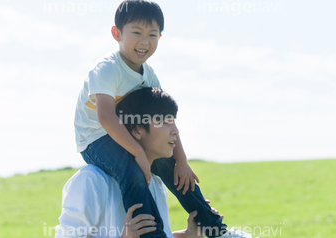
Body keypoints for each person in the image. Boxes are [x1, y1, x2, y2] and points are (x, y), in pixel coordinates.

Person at [75, 1, 228, 237]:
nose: (145, 41)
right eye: (136, 32)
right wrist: (137, 152)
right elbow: (105, 117)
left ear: (160, 37)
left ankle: (216, 229)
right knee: (132, 170)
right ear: (117, 34)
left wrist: (182, 160)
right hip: (96, 138)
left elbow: (165, 118)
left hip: (129, 134)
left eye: (152, 34)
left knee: (176, 170)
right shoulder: (107, 69)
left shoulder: (149, 75)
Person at [59, 88, 255, 238]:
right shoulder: (91, 181)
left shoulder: (156, 183)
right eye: (165, 121)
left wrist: (187, 235)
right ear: (136, 130)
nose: (175, 131)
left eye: (174, 121)